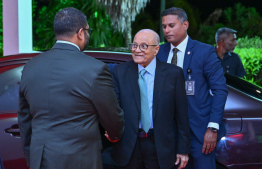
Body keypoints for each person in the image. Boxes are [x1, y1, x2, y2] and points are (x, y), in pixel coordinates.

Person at [18, 7, 124, 169]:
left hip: (41, 159)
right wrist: (115, 135)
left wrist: (31, 155)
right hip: (80, 159)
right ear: (80, 32)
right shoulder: (95, 69)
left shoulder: (30, 66)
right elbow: (111, 116)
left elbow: (25, 120)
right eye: (88, 30)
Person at [156, 7, 228, 169]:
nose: (167, 30)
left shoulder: (204, 52)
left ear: (185, 24)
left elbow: (220, 90)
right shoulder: (159, 52)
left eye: (171, 25)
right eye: (164, 26)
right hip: (168, 133)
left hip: (199, 132)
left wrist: (212, 127)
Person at [108, 29, 190, 169]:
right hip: (129, 146)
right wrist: (111, 129)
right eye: (134, 45)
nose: (137, 50)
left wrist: (183, 150)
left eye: (143, 46)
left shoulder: (173, 74)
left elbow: (182, 116)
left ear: (156, 49)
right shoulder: (120, 72)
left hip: (160, 146)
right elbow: (114, 107)